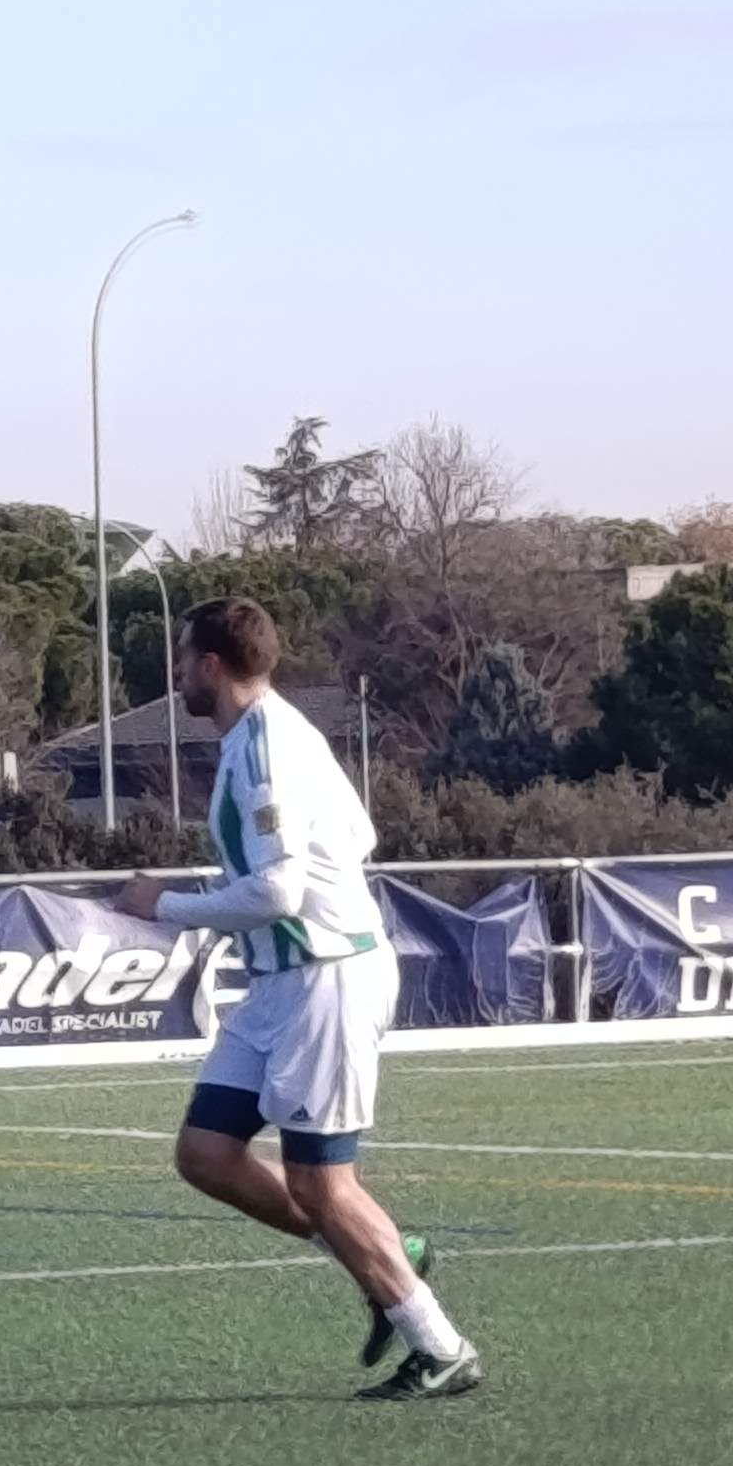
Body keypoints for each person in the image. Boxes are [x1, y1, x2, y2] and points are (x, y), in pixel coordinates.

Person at [116, 598, 480, 1399]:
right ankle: (388, 1257)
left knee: (322, 1185)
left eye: (182, 660)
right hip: (281, 984)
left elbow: (279, 893)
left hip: (326, 979)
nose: (177, 676)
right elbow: (356, 835)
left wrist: (165, 905)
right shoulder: (267, 736)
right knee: (206, 1154)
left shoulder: (269, 747)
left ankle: (441, 1346)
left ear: (211, 665)